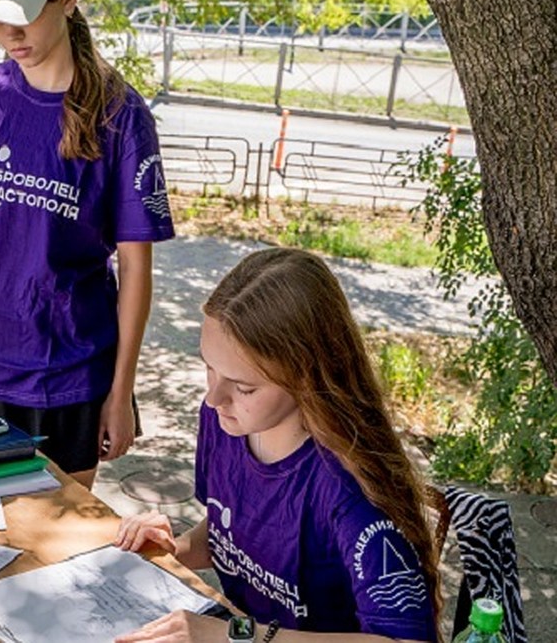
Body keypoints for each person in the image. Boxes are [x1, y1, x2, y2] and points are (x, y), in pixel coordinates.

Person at [113, 248, 442, 642]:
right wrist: (176, 548)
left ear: (307, 377)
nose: (214, 397)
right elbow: (233, 532)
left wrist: (237, 637)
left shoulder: (349, 492)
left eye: (244, 386)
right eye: (209, 367)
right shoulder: (225, 422)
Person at [0, 0, 175, 489]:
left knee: (59, 548)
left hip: (74, 376)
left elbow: (135, 266)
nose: (10, 36)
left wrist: (119, 391)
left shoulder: (121, 114)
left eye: (23, 17)